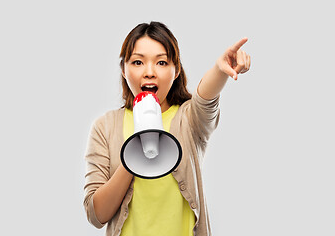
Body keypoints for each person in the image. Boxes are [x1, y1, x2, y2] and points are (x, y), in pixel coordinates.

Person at [83, 21, 251, 236]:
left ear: (176, 70)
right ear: (123, 70)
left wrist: (220, 70)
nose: (150, 72)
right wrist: (133, 156)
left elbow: (206, 98)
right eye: (137, 62)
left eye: (161, 63)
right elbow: (97, 214)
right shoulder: (105, 126)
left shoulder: (189, 119)